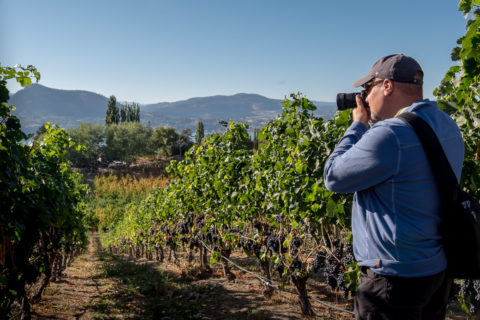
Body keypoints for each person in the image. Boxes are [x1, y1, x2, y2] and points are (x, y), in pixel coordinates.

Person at [323, 54, 464, 319]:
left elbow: (333, 176)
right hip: (435, 270)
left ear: (387, 86)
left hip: (392, 279)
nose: (363, 97)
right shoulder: (447, 125)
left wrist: (357, 125)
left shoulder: (390, 135)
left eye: (367, 89)